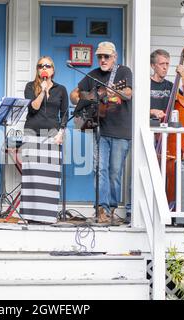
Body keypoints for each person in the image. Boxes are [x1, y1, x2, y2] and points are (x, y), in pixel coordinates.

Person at [70, 41, 132, 225]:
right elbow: (74, 96)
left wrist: (113, 91)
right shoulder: (92, 75)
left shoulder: (123, 72)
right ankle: (101, 210)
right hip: (100, 129)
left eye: (106, 56)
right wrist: (90, 96)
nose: (103, 60)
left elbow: (128, 93)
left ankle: (111, 209)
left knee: (114, 171)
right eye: (100, 56)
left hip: (121, 130)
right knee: (100, 170)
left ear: (115, 57)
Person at [21, 56, 68, 224]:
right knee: (32, 177)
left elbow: (64, 114)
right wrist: (42, 92)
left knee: (49, 178)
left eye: (47, 66)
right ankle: (31, 216)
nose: (44, 68)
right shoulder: (30, 87)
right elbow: (33, 108)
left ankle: (47, 216)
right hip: (32, 133)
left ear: (53, 70)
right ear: (37, 70)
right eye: (41, 66)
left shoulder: (61, 89)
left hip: (52, 136)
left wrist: (61, 132)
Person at [150, 49, 184, 120]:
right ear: (153, 66)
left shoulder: (171, 86)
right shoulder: (145, 84)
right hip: (149, 128)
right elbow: (136, 108)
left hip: (167, 129)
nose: (165, 67)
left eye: (167, 64)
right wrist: (151, 112)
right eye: (162, 64)